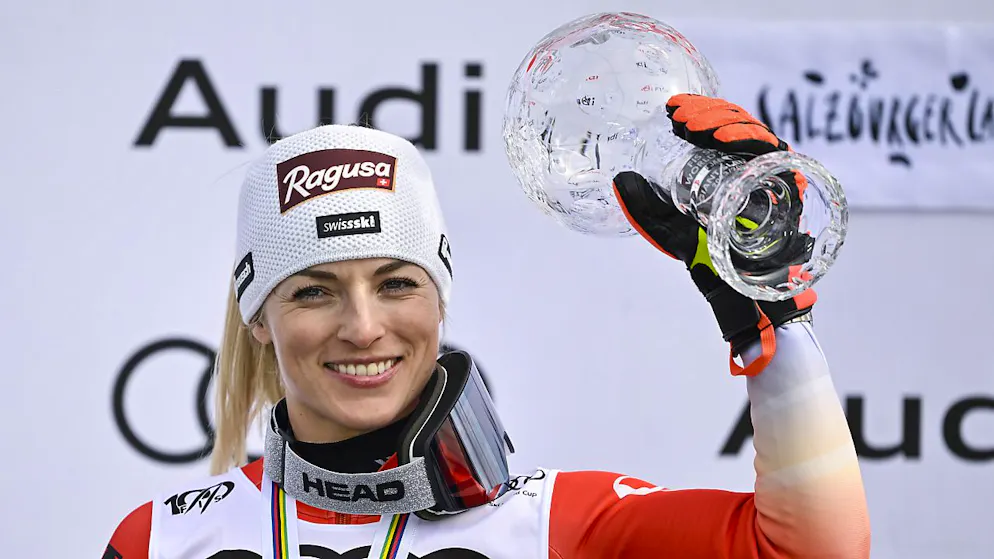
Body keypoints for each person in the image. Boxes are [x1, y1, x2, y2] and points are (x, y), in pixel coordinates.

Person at [103, 94, 871, 559]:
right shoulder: (161, 543)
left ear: (438, 299)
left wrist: (772, 325)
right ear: (259, 317)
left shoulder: (560, 525)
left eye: (397, 283)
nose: (364, 326)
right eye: (313, 292)